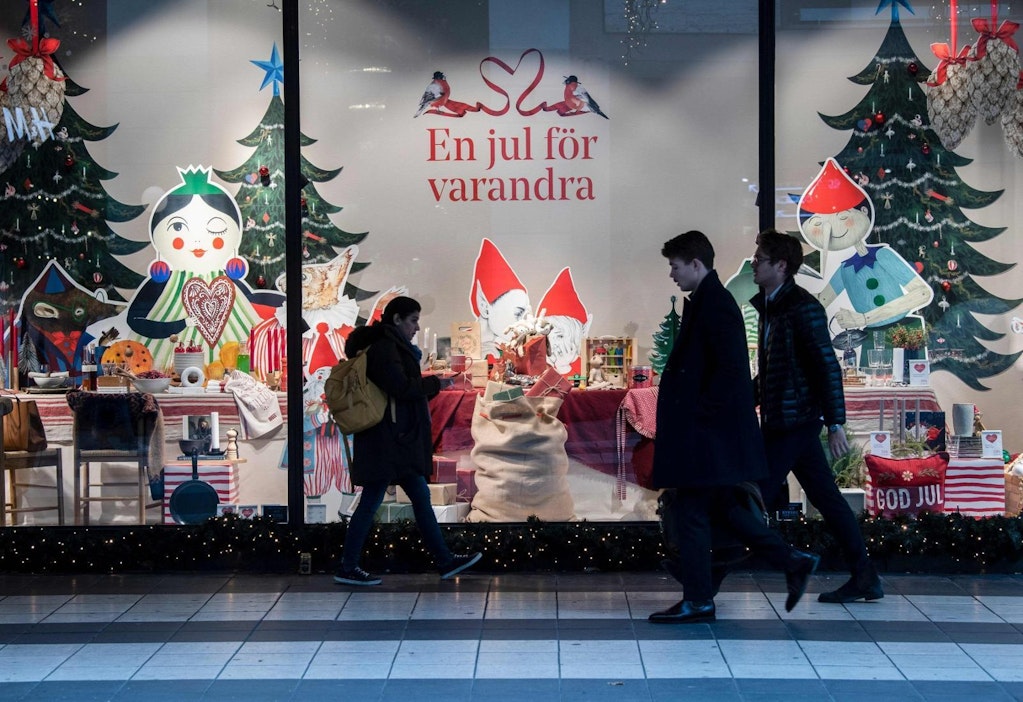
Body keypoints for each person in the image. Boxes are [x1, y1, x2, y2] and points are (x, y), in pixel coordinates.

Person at [648, 231, 819, 624]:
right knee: (725, 509)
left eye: (675, 266)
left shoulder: (716, 305)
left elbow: (728, 374)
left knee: (691, 511)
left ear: (695, 264)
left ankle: (698, 599)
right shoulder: (711, 302)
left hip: (708, 437)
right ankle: (792, 561)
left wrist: (697, 420)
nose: (672, 274)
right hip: (714, 436)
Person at [750, 228, 884, 603]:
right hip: (786, 420)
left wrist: (835, 421)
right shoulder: (771, 306)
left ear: (782, 265)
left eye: (760, 258)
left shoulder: (802, 307)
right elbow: (775, 369)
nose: (754, 263)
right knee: (827, 498)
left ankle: (708, 580)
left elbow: (827, 366)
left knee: (750, 494)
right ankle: (864, 576)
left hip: (794, 423)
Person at [334, 296, 482, 586]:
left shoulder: (386, 345)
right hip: (389, 441)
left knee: (416, 498)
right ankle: (348, 566)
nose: (416, 327)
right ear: (397, 319)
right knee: (372, 502)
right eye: (413, 320)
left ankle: (444, 561)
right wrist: (436, 383)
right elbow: (400, 388)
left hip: (393, 439)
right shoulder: (386, 348)